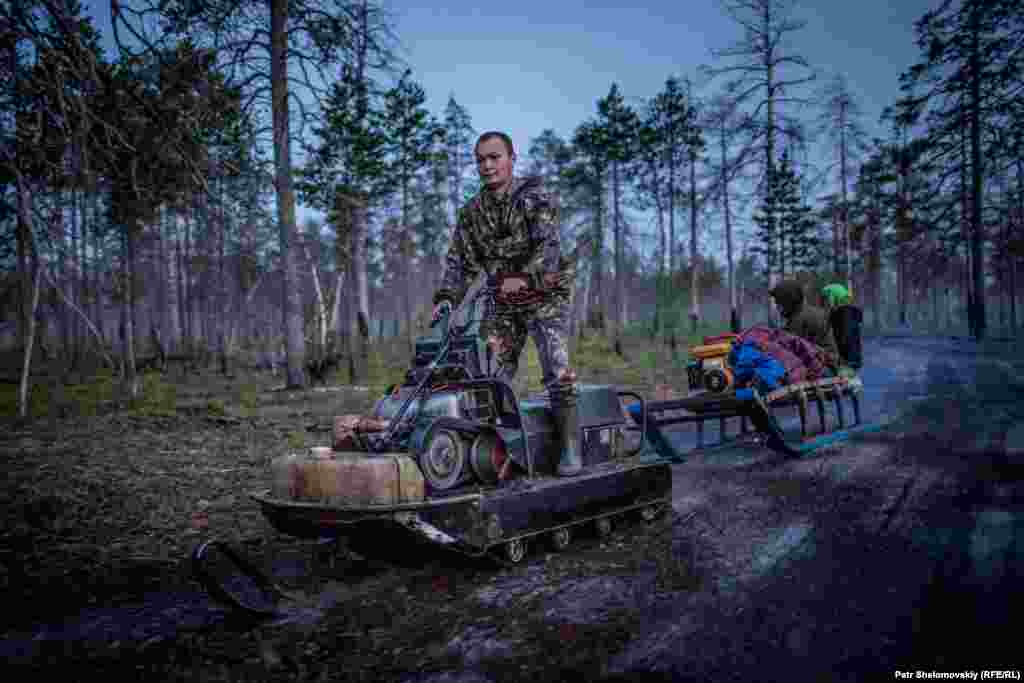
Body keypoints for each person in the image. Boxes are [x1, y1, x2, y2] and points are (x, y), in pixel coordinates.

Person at [431, 131, 582, 476]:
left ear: (512, 158)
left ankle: (571, 450)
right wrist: (446, 299)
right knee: (488, 375)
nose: (487, 165)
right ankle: (497, 455)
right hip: (503, 302)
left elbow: (549, 248)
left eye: (494, 157)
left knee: (557, 369)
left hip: (545, 296)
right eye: (481, 159)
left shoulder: (534, 198)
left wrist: (526, 278)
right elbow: (460, 263)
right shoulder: (472, 213)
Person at [768, 279, 839, 364]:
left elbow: (788, 349)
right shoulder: (802, 313)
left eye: (779, 301)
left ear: (789, 300)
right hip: (826, 361)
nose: (777, 305)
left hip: (824, 366)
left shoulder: (800, 319)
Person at [821, 283, 863, 379]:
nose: (824, 303)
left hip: (846, 360)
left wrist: (839, 358)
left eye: (825, 299)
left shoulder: (843, 314)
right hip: (853, 359)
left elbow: (844, 338)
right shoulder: (850, 313)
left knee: (842, 384)